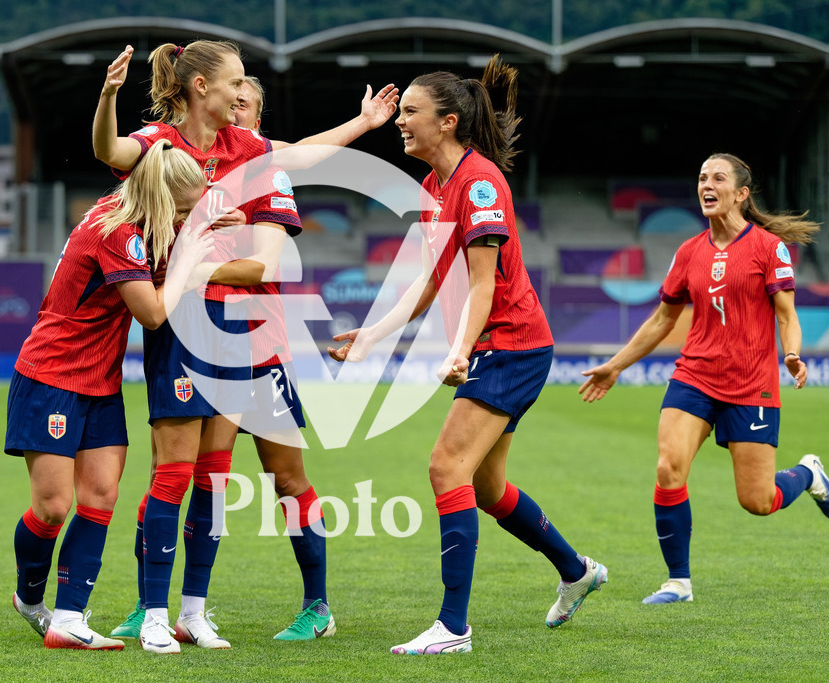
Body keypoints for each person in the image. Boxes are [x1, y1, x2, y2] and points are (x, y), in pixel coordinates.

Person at [94, 41, 397, 652]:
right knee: (182, 473)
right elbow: (110, 151)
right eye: (237, 88)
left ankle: (313, 603)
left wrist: (363, 125)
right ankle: (155, 605)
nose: (245, 103)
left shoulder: (258, 161)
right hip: (184, 332)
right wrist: (107, 95)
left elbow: (290, 201)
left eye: (250, 98)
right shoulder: (162, 144)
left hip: (256, 341)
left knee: (280, 478)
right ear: (203, 87)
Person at [329, 57, 607, 655]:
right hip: (498, 346)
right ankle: (576, 570)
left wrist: (458, 351)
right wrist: (373, 335)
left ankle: (453, 628)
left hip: (510, 344)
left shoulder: (481, 184)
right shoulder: (435, 185)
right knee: (487, 488)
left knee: (444, 468)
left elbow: (483, 283)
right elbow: (431, 279)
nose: (399, 122)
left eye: (410, 113)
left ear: (448, 122)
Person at [579, 152, 826, 605]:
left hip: (752, 384)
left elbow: (787, 315)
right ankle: (678, 582)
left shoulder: (769, 248)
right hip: (694, 377)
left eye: (717, 178)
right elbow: (660, 320)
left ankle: (809, 473)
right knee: (667, 467)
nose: (706, 185)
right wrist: (616, 364)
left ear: (741, 193)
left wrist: (791, 354)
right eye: (701, 178)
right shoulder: (688, 252)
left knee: (758, 500)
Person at [6, 141, 212, 651]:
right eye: (183, 209)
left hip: (101, 380)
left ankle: (70, 618)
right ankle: (31, 598)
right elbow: (153, 313)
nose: (186, 219)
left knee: (101, 495)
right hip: (51, 373)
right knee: (52, 508)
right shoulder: (118, 232)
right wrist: (191, 255)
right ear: (161, 198)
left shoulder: (123, 214)